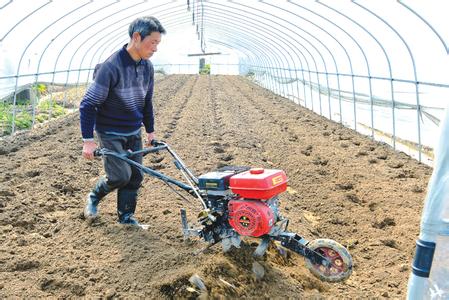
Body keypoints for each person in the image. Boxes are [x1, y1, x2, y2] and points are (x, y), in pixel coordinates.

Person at [79, 16, 166, 226]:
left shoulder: (147, 67)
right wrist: (88, 140)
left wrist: (151, 131)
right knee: (120, 176)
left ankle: (126, 218)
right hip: (110, 131)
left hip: (133, 130)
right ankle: (93, 197)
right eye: (152, 42)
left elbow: (147, 101)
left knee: (135, 176)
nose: (155, 48)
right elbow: (88, 104)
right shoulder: (110, 67)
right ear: (137, 37)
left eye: (158, 44)